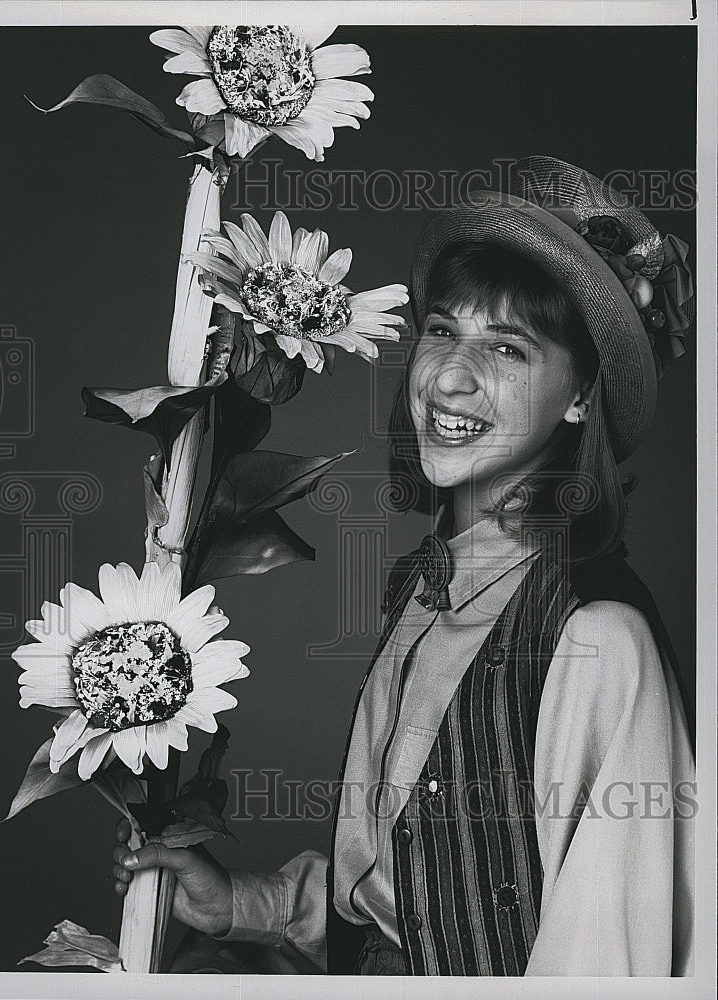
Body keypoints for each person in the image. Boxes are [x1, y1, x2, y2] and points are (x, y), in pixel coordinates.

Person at [112, 156, 695, 976]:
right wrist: (249, 903)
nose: (450, 378)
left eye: (508, 348)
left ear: (578, 397)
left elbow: (603, 962)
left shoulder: (595, 641)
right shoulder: (425, 594)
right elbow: (414, 906)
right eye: (442, 329)